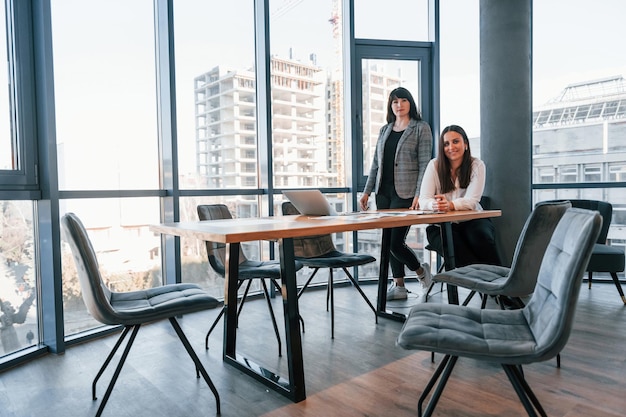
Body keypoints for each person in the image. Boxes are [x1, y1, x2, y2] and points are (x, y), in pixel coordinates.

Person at [360, 87, 433, 300]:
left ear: (410, 103)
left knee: (394, 242)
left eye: (403, 100)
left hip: (406, 192)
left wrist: (420, 193)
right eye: (394, 102)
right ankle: (399, 286)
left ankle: (421, 272)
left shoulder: (421, 128)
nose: (398, 105)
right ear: (390, 106)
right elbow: (375, 164)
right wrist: (366, 192)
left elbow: (424, 164)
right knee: (387, 240)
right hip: (383, 192)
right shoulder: (385, 130)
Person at [419, 124, 501, 267]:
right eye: (446, 144)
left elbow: (472, 200)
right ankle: (484, 285)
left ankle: (500, 284)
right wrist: (435, 205)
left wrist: (450, 205)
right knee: (454, 247)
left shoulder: (477, 165)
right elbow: (423, 199)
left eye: (456, 141)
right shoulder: (434, 165)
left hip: (472, 220)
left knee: (480, 237)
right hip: (440, 226)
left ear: (466, 144)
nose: (451, 147)